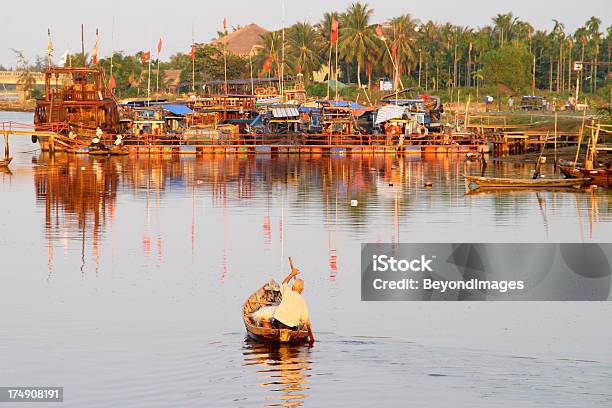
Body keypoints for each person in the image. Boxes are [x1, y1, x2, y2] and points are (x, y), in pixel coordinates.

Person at [271, 265, 315, 343]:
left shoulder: (287, 292)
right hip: (291, 328)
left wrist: (292, 274)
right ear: (302, 290)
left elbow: (284, 283)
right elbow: (304, 319)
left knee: (265, 321)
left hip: (278, 325)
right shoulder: (303, 301)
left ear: (292, 287)